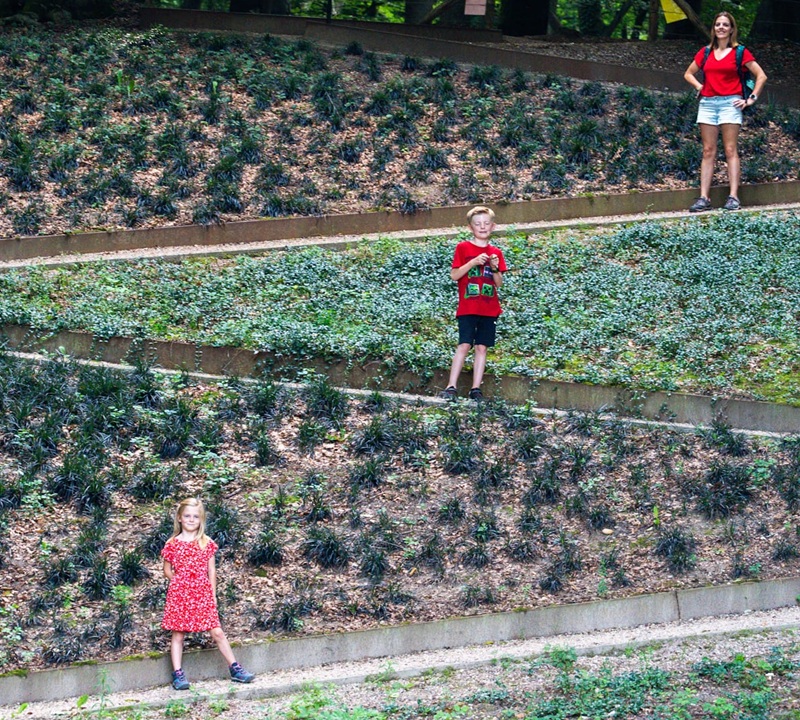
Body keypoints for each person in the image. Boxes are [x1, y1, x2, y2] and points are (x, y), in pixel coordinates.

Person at [161, 497, 255, 690]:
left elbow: (212, 570)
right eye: (187, 516)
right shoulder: (172, 543)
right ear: (179, 518)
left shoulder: (206, 543)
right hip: (180, 594)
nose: (191, 519)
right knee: (178, 633)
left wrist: (212, 593)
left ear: (201, 519)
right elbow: (167, 569)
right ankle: (178, 674)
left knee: (216, 631)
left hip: (202, 592)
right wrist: (179, 582)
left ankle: (235, 668)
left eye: (195, 516)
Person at [683, 11, 767, 212]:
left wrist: (751, 99)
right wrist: (699, 87)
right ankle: (704, 197)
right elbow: (688, 73)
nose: (721, 27)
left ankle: (733, 197)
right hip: (708, 104)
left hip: (731, 103)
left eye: (725, 25)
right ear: (713, 29)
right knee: (708, 151)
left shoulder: (740, 52)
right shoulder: (705, 52)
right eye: (718, 24)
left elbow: (761, 75)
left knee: (730, 150)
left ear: (731, 29)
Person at [440, 206, 507, 402]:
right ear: (471, 227)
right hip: (468, 307)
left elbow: (499, 283)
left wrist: (494, 267)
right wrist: (474, 262)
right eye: (478, 224)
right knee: (464, 344)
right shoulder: (463, 248)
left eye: (486, 223)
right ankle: (451, 386)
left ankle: (475, 389)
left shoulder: (496, 252)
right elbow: (455, 275)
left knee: (482, 348)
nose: (482, 227)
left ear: (493, 226)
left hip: (489, 309)